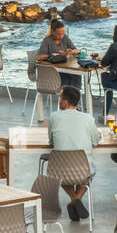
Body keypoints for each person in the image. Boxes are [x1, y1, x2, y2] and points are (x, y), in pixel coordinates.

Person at [48, 84, 100, 220]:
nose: (59, 100)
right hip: (83, 170)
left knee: (60, 172)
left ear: (65, 102)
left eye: (60, 98)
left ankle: (74, 199)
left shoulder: (54, 117)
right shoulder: (88, 118)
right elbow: (95, 142)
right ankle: (77, 199)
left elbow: (51, 142)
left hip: (59, 171)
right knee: (90, 170)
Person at [36, 18, 78, 90]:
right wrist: (54, 55)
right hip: (52, 71)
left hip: (64, 68)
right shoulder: (47, 40)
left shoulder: (65, 37)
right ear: (52, 32)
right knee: (70, 76)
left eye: (63, 33)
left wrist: (68, 52)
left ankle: (72, 96)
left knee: (76, 75)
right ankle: (66, 96)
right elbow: (39, 57)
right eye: (59, 34)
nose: (61, 36)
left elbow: (76, 50)